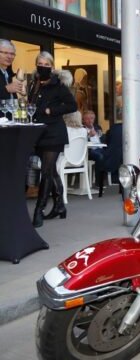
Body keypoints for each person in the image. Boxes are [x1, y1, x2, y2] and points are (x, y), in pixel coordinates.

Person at [28, 51, 77, 228]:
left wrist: (52, 110)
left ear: (52, 67)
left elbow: (72, 105)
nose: (43, 67)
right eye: (40, 64)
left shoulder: (58, 85)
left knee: (46, 172)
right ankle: (59, 206)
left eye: (46, 64)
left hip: (54, 133)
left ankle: (39, 210)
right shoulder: (34, 84)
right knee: (51, 172)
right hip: (39, 134)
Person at [0, 39, 23, 108]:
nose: (9, 57)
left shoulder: (8, 73)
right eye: (5, 53)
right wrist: (6, 89)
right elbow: (8, 89)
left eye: (12, 54)